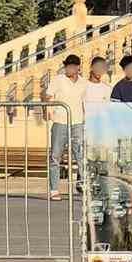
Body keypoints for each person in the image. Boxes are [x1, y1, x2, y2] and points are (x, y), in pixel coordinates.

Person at [44, 54, 88, 201]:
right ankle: (54, 190)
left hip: (78, 122)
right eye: (66, 66)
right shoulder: (58, 79)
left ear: (77, 68)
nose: (68, 69)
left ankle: (84, 187)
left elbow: (85, 102)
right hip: (60, 121)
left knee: (80, 155)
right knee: (55, 155)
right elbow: (48, 96)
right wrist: (48, 111)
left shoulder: (83, 83)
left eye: (71, 66)